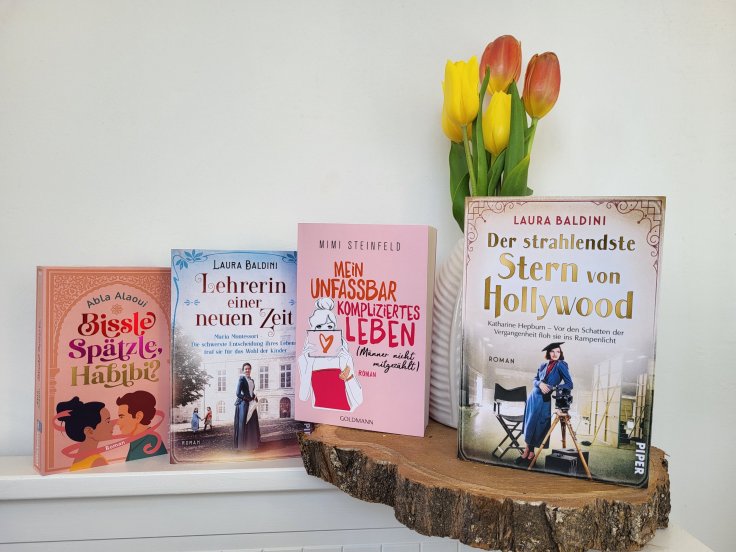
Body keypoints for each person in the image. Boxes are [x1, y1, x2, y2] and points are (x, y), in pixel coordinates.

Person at [298, 297, 363, 412]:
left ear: (334, 329)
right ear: (312, 329)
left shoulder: (343, 357)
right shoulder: (304, 359)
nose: (325, 330)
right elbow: (303, 397)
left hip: (343, 412)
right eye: (319, 326)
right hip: (319, 414)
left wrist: (348, 372)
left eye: (329, 326)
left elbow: (359, 400)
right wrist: (308, 364)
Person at [516, 342, 573, 466]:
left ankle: (531, 453)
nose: (555, 354)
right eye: (552, 351)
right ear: (548, 353)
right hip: (533, 397)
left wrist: (554, 387)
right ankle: (527, 452)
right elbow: (535, 379)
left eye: (558, 351)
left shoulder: (561, 365)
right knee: (530, 425)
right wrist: (540, 384)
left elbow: (570, 384)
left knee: (538, 426)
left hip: (544, 400)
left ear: (560, 353)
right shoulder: (543, 365)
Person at [55, 397, 115, 471]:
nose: (112, 424)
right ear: (89, 431)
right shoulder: (98, 462)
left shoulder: (80, 457)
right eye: (107, 421)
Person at [116, 390, 167, 461]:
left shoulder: (151, 442)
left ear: (138, 416)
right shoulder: (138, 440)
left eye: (121, 417)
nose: (118, 422)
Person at [234, 363, 261, 450]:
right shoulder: (241, 379)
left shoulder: (252, 380)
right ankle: (242, 446)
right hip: (243, 404)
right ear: (243, 370)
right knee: (244, 424)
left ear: (250, 369)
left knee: (252, 424)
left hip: (251, 403)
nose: (247, 370)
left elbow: (251, 392)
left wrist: (254, 397)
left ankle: (251, 444)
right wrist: (246, 399)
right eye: (245, 369)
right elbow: (238, 393)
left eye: (249, 368)